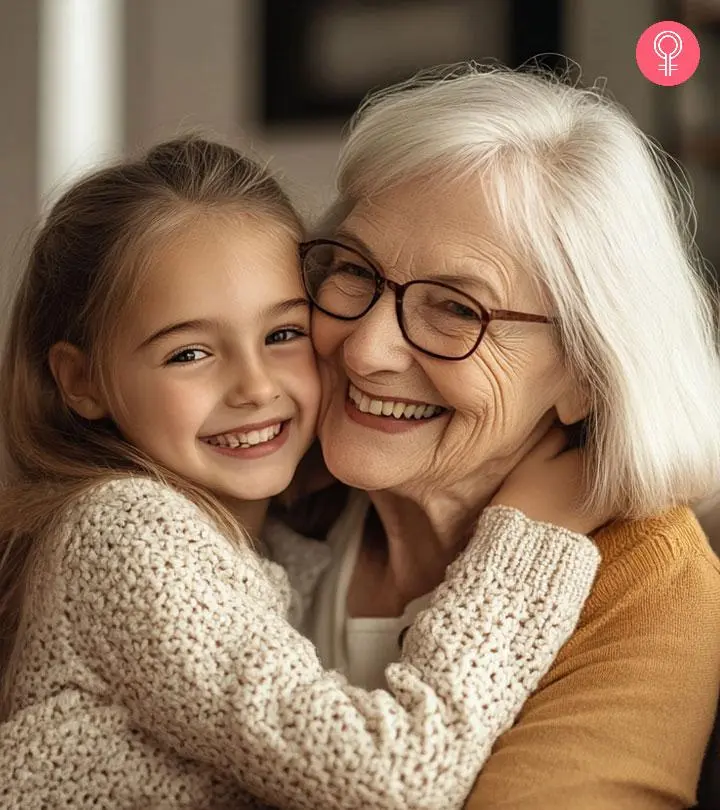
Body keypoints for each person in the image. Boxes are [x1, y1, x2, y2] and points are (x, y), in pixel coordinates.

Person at [0, 135, 601, 809]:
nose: (255, 387)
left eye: (283, 334)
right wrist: (526, 542)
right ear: (83, 382)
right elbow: (392, 780)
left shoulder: (283, 546)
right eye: (190, 352)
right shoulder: (124, 534)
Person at [296, 64, 720, 809]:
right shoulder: (261, 485)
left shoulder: (645, 579)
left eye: (458, 311)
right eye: (355, 270)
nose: (364, 350)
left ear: (586, 371)